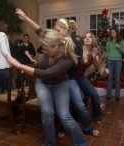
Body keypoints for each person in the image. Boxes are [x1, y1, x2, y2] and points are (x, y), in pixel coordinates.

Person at [16, 7, 97, 139]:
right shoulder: (53, 40)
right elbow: (39, 30)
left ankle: (87, 128)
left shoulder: (74, 43)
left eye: (58, 30)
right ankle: (60, 132)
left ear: (66, 30)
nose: (56, 32)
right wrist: (25, 18)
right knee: (50, 112)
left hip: (69, 78)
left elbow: (78, 64)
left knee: (78, 104)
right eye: (55, 30)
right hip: (49, 80)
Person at [9, 28, 88, 146]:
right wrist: (25, 17)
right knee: (47, 113)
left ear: (56, 46)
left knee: (64, 116)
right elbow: (40, 31)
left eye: (47, 49)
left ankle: (81, 143)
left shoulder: (68, 59)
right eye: (43, 49)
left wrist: (19, 65)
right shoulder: (49, 45)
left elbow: (46, 73)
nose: (44, 52)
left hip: (60, 85)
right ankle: (50, 143)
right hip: (43, 85)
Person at [74, 32, 109, 123]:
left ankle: (96, 116)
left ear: (93, 40)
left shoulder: (94, 51)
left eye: (90, 37)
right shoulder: (78, 49)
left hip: (82, 78)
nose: (87, 38)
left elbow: (97, 66)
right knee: (81, 97)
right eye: (85, 37)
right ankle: (79, 117)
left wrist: (93, 57)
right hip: (73, 78)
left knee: (94, 94)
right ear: (83, 40)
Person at [106, 27, 124, 101]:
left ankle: (117, 96)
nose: (112, 33)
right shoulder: (108, 41)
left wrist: (119, 47)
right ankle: (108, 95)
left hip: (118, 61)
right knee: (110, 78)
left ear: (117, 32)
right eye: (111, 32)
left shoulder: (121, 41)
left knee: (117, 79)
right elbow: (107, 52)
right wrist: (106, 60)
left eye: (113, 32)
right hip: (110, 61)